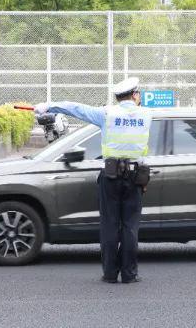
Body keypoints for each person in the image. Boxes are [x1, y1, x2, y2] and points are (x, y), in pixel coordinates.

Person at [33, 77, 152, 284]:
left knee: (109, 226)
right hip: (135, 177)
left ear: (118, 97)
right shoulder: (147, 115)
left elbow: (76, 109)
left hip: (111, 176)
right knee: (130, 227)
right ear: (134, 95)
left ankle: (109, 273)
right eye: (138, 93)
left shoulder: (107, 114)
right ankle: (129, 274)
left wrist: (48, 106)